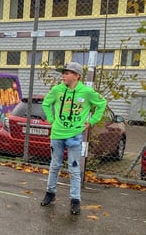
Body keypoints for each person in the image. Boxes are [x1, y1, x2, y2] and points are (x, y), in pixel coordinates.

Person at [40, 62, 107, 215]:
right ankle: (50, 193)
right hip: (57, 134)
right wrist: (51, 119)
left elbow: (102, 103)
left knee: (74, 168)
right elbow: (46, 104)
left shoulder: (86, 92)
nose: (64, 75)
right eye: (63, 72)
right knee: (55, 165)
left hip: (75, 135)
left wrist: (92, 121)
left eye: (67, 73)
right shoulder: (57, 90)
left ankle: (75, 200)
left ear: (77, 76)